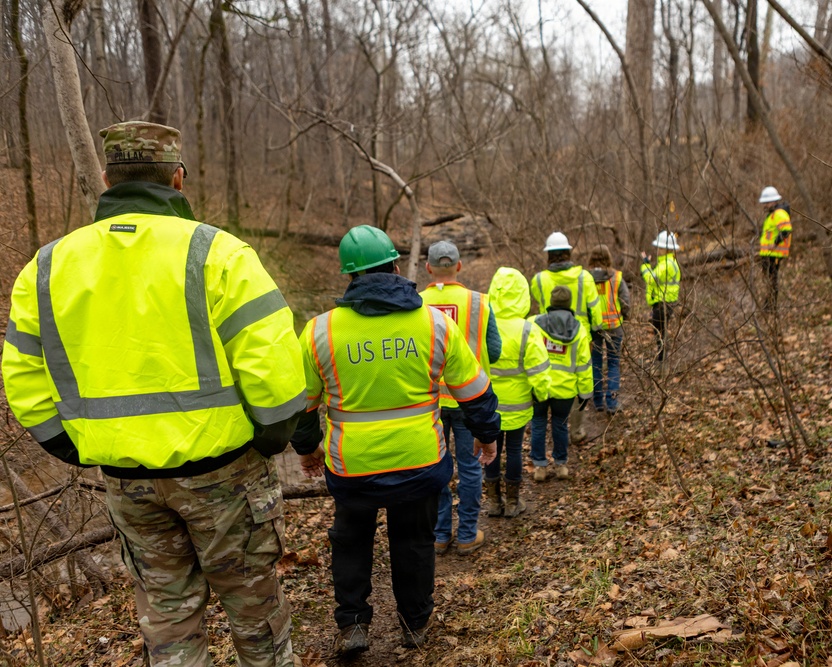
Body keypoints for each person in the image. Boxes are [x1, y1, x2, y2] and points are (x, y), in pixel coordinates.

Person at [1, 121, 307, 667]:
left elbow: (22, 377)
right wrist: (272, 438)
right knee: (254, 607)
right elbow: (276, 368)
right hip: (225, 474)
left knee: (167, 615)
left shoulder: (46, 268)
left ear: (105, 178)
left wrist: (69, 445)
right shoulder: (220, 254)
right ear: (178, 178)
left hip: (126, 482)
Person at [291, 225, 500, 654]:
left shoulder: (319, 331)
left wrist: (307, 449)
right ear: (394, 264)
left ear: (348, 275)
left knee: (350, 541)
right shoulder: (434, 323)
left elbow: (303, 406)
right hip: (419, 462)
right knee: (415, 543)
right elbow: (473, 390)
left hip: (353, 468)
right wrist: (487, 436)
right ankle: (415, 623)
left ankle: (352, 625)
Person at [419, 240, 502, 556]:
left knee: (435, 466)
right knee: (470, 467)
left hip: (429, 402)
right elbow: (494, 350)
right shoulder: (480, 302)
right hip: (469, 399)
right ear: (459, 266)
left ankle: (440, 536)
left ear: (428, 268)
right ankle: (467, 534)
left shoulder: (414, 302)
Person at [484, 267, 552, 517]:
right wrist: (542, 394)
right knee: (513, 450)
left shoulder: (483, 323)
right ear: (522, 293)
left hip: (488, 405)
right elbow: (539, 369)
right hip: (518, 405)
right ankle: (513, 503)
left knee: (490, 451)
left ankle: (493, 502)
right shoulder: (526, 329)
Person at [530, 232, 602, 444]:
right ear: (569, 252)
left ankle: (550, 429)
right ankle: (576, 430)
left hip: (546, 337)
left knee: (552, 377)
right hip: (580, 337)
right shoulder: (584, 277)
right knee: (578, 381)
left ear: (549, 255)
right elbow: (595, 310)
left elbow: (538, 301)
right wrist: (596, 332)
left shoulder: (539, 280)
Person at [529, 286, 594, 481]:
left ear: (551, 302)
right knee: (560, 425)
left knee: (538, 424)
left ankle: (540, 467)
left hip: (539, 386)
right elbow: (584, 365)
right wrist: (585, 393)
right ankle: (561, 465)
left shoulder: (534, 324)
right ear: (569, 304)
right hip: (565, 389)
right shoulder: (579, 329)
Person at [587, 244, 630, 414]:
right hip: (614, 326)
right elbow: (625, 301)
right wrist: (624, 316)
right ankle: (612, 402)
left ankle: (597, 401)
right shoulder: (617, 277)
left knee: (596, 363)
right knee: (613, 363)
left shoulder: (586, 278)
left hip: (594, 327)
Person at [641, 231, 681, 365]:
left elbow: (651, 279)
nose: (658, 250)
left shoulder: (667, 264)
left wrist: (645, 265)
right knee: (660, 331)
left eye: (660, 247)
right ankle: (662, 360)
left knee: (660, 332)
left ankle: (662, 362)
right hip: (665, 303)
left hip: (663, 303)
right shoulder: (669, 262)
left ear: (667, 249)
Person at [757, 186, 792, 311]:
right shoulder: (772, 215)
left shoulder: (779, 214)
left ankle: (771, 307)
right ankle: (768, 305)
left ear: (773, 201)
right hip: (769, 254)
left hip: (774, 254)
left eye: (766, 203)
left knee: (772, 281)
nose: (765, 206)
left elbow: (786, 230)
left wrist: (775, 243)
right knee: (769, 280)